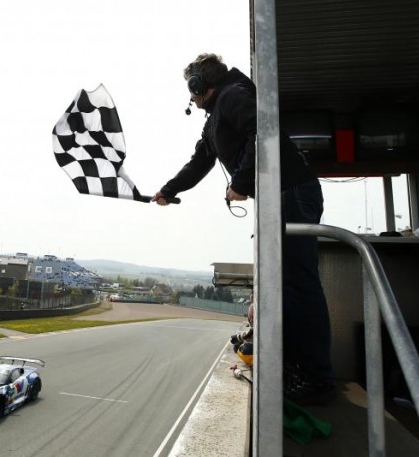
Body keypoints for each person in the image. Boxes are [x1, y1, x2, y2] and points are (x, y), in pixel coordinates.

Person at [152, 53, 335, 405]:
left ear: (201, 84)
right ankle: (300, 368)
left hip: (291, 192)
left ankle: (318, 376)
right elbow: (200, 161)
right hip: (278, 197)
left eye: (191, 89)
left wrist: (241, 179)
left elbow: (261, 131)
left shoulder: (233, 96)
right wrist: (169, 189)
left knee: (298, 285)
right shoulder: (214, 119)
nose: (190, 97)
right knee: (285, 286)